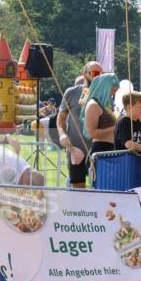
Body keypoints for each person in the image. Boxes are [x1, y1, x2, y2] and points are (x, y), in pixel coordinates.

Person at [56, 60, 102, 188]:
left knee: (100, 188)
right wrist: (62, 135)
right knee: (78, 188)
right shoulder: (71, 92)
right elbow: (60, 119)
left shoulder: (104, 95)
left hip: (97, 150)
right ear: (84, 74)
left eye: (100, 74)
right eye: (94, 72)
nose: (97, 76)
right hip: (75, 149)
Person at [82, 72, 120, 183]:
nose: (113, 94)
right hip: (100, 151)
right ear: (105, 88)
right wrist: (114, 128)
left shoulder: (106, 104)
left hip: (110, 150)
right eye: (112, 90)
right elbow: (92, 133)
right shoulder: (93, 105)